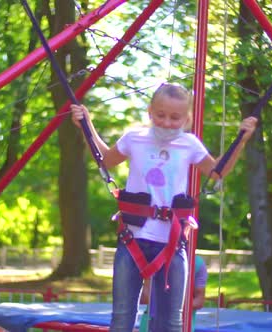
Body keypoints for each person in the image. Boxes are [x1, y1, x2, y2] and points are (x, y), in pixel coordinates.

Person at [71, 83, 257, 332]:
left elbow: (216, 172)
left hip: (171, 242)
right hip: (133, 239)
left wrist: (241, 140)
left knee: (171, 323)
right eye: (160, 115)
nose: (167, 122)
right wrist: (86, 125)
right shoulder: (134, 138)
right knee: (122, 318)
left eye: (175, 117)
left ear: (187, 118)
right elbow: (105, 160)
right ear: (150, 112)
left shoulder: (189, 144)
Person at [139, 255, 208, 332]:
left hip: (181, 323)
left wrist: (174, 305)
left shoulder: (197, 263)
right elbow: (145, 297)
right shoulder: (155, 257)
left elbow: (199, 301)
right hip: (151, 322)